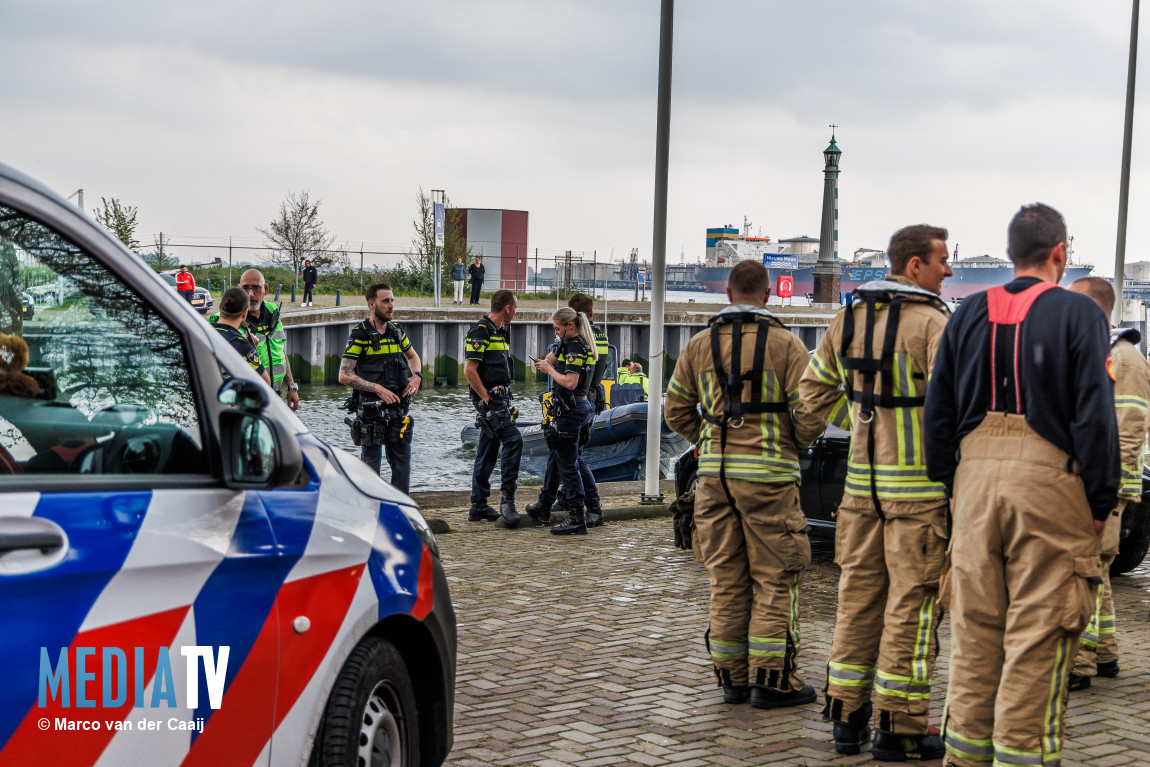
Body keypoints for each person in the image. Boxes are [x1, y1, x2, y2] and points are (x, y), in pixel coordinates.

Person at [923, 204, 1118, 767]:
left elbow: (939, 413)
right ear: (1061, 251)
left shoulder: (966, 314)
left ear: (1010, 254)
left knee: (976, 638)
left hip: (975, 485)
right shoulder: (1079, 315)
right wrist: (1099, 503)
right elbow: (1094, 420)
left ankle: (964, 757)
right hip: (1050, 489)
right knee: (1037, 640)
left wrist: (952, 485)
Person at [799, 224, 953, 759]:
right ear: (915, 265)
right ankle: (901, 729)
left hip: (860, 494)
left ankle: (846, 721)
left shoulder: (849, 317)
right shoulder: (935, 323)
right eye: (942, 260)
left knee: (857, 603)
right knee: (911, 608)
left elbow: (813, 392)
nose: (949, 270)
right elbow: (955, 410)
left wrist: (864, 417)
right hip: (919, 497)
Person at [664, 260, 824, 710]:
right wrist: (791, 441)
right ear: (768, 295)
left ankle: (731, 679)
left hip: (714, 480)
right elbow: (812, 412)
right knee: (775, 578)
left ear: (729, 294)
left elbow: (675, 412)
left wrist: (711, 440)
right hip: (770, 480)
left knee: (726, 579)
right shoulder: (787, 345)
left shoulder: (697, 346)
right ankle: (773, 683)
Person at [1067, 277, 1148, 689]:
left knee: (1081, 574)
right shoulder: (1103, 352)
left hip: (1104, 490)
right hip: (1099, 486)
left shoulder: (1124, 358)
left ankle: (1078, 666)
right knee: (1095, 572)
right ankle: (1105, 654)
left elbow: (1129, 429)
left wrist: (1107, 487)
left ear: (1094, 306)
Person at [525, 293, 608, 528]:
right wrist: (548, 361)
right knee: (560, 458)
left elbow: (570, 382)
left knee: (570, 464)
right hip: (579, 406)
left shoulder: (575, 347)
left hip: (572, 407)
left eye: (557, 328)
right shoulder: (574, 343)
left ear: (569, 326)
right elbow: (550, 359)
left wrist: (550, 371)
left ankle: (578, 514)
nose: (555, 333)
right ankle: (545, 506)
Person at [338, 282, 422, 494]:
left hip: (398, 410)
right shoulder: (360, 335)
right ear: (372, 304)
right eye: (386, 301)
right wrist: (377, 388)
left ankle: (401, 509)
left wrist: (417, 377)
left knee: (402, 466)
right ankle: (371, 511)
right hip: (371, 411)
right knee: (371, 469)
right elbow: (344, 375)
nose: (391, 305)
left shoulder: (396, 332)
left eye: (392, 300)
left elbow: (413, 357)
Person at [464, 289, 522, 526]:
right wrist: (486, 399)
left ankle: (478, 505)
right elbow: (469, 370)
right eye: (515, 307)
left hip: (502, 398)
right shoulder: (481, 331)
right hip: (490, 399)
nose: (516, 311)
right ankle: (507, 499)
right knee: (514, 440)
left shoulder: (500, 332)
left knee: (488, 448)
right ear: (507, 308)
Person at [210, 268, 300, 411]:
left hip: (275, 394)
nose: (250, 294)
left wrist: (291, 385)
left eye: (256, 288)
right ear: (239, 288)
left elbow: (280, 349)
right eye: (245, 288)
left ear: (266, 289)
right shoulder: (223, 320)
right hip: (247, 399)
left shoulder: (273, 312)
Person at [211, 287, 271, 385]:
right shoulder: (242, 345)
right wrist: (252, 349)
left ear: (220, 306)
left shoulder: (201, 331)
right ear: (244, 313)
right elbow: (265, 384)